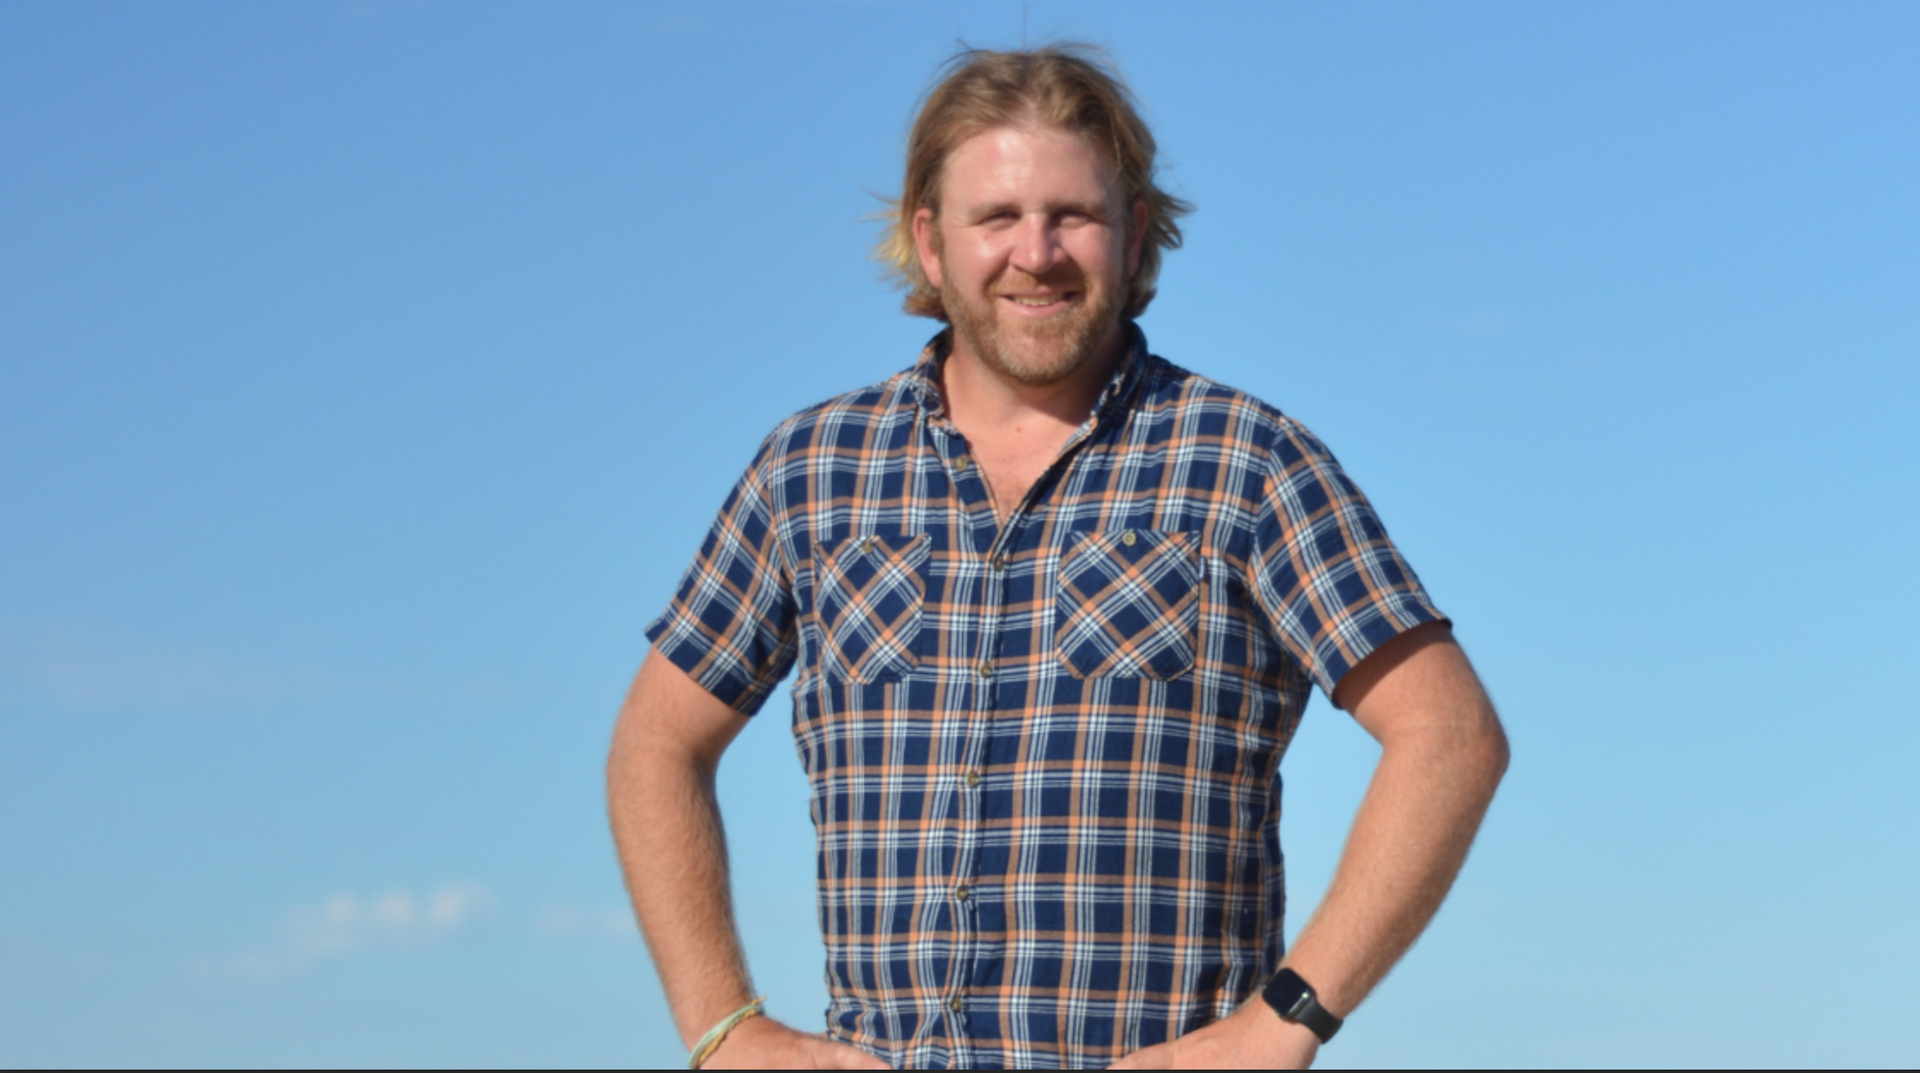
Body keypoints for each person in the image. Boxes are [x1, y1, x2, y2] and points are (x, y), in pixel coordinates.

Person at [607, 45, 1509, 1070]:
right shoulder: (812, 471)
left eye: (1073, 215)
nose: (1035, 253)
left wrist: (1283, 1020)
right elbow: (654, 744)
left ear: (1135, 236)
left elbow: (1450, 733)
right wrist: (723, 1028)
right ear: (930, 243)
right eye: (996, 217)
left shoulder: (1246, 462)